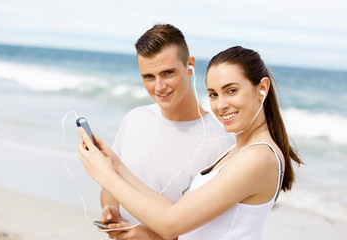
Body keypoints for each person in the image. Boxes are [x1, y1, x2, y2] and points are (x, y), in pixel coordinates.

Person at [79, 46, 303, 240]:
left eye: (231, 91)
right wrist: (116, 166)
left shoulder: (259, 157)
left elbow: (170, 224)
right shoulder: (237, 151)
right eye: (213, 94)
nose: (221, 104)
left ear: (262, 88)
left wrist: (104, 176)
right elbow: (177, 211)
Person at [99, 24, 234, 239]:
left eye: (167, 73)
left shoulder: (220, 144)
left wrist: (148, 236)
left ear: (190, 65)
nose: (159, 87)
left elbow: (209, 233)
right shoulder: (134, 119)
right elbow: (112, 184)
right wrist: (110, 209)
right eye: (149, 77)